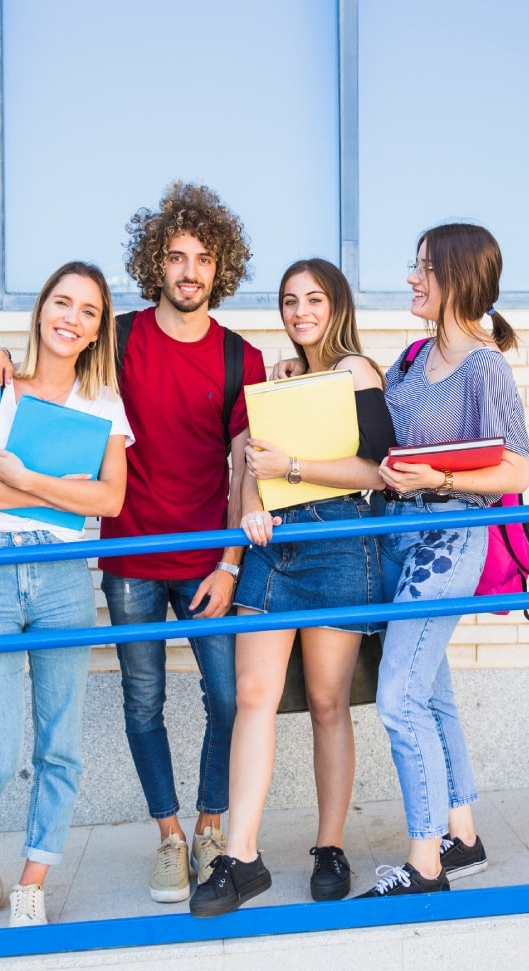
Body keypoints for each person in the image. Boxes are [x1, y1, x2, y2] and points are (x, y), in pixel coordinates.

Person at [0, 182, 266, 904]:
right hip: (129, 557)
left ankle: (209, 826)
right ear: (155, 264)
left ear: (220, 268)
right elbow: (56, 360)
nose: (188, 271)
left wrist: (231, 561)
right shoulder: (121, 337)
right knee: (143, 704)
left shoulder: (241, 359)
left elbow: (248, 466)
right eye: (175, 256)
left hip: (207, 561)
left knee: (227, 701)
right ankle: (168, 838)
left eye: (202, 259)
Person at [189, 258, 395, 917]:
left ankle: (329, 846)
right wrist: (251, 502)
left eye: (312, 298)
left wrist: (295, 467)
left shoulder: (355, 371)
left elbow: (381, 470)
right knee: (253, 694)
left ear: (335, 304)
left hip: (338, 543)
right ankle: (241, 856)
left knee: (330, 702)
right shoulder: (278, 381)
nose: (300, 311)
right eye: (288, 300)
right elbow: (252, 463)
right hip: (272, 547)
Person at [0, 261, 132, 927]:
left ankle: (33, 879)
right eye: (63, 302)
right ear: (41, 308)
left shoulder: (102, 403)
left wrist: (26, 480)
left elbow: (108, 499)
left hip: (62, 575)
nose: (71, 319)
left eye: (88, 312)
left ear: (97, 330)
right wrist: (50, 489)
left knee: (61, 744)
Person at [354, 222, 529, 898]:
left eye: (424, 267)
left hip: (448, 538)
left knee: (398, 699)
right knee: (429, 691)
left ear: (457, 278)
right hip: (399, 538)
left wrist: (439, 482)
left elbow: (517, 470)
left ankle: (425, 867)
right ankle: (462, 836)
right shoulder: (409, 358)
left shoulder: (485, 369)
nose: (411, 278)